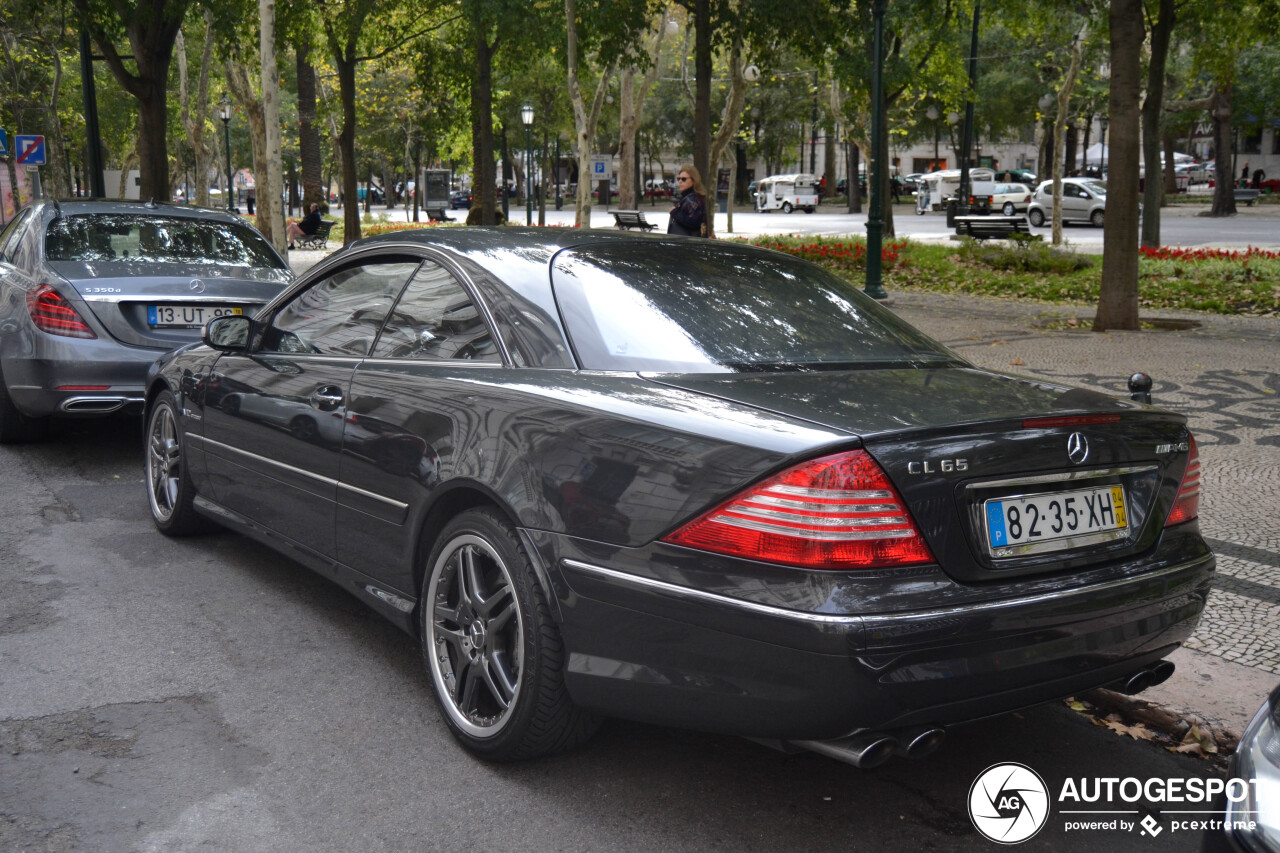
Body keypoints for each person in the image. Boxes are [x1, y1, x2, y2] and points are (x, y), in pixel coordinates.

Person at [667, 165, 708, 237]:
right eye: (678, 179)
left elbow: (693, 222)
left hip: (688, 244)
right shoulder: (690, 197)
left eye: (683, 179)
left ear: (693, 180)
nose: (680, 181)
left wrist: (675, 212)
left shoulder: (693, 199)